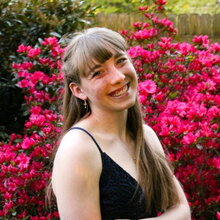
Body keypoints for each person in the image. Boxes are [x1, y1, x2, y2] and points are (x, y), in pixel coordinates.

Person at [51, 27, 191, 220]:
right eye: (98, 73)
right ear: (78, 90)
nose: (118, 77)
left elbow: (182, 210)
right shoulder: (78, 148)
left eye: (121, 61)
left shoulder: (145, 135)